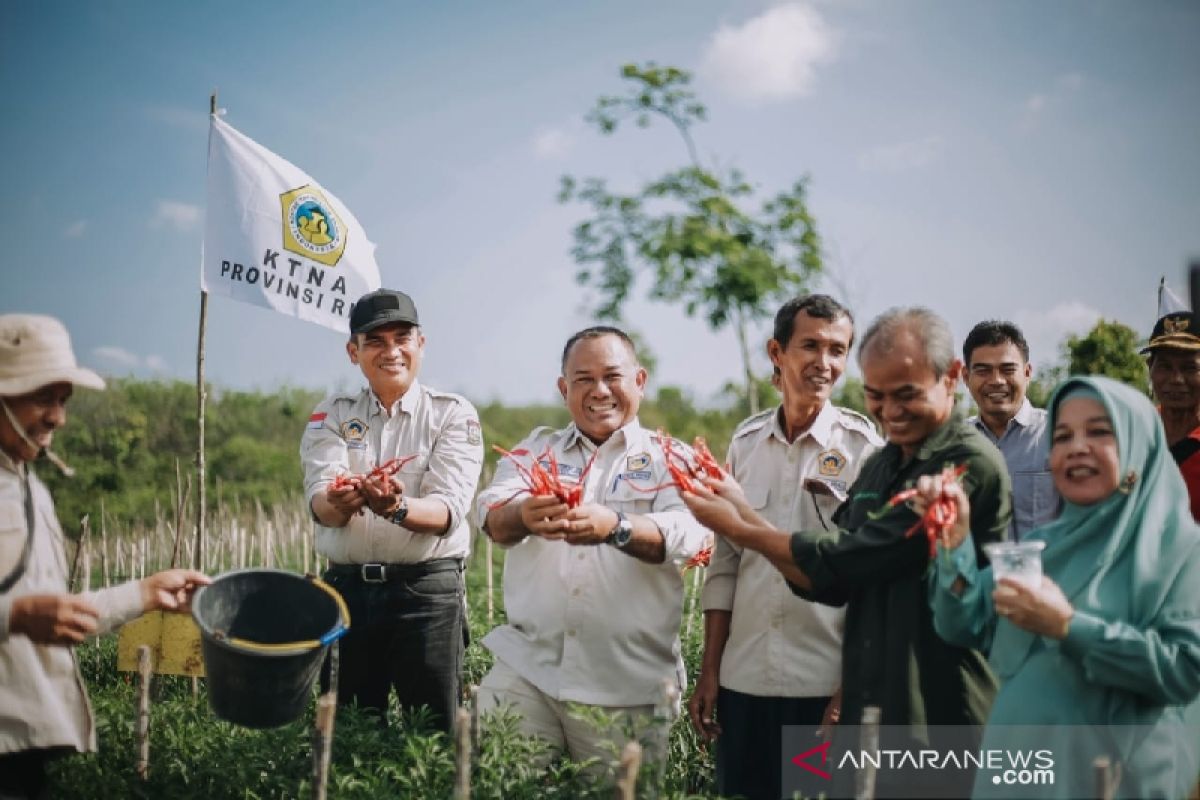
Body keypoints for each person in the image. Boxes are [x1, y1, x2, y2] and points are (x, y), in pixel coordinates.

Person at [682, 307, 1010, 798]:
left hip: (943, 711)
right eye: (877, 396)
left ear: (951, 379)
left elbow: (849, 559)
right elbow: (828, 576)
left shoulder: (963, 463)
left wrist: (739, 524)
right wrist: (737, 512)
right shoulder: (883, 463)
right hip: (865, 706)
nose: (891, 411)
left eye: (907, 395)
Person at [924, 375, 1200, 798]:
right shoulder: (1043, 548)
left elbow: (1184, 669)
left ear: (1138, 447)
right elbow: (963, 624)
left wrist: (1069, 628)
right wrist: (955, 543)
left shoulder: (1180, 553)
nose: (1077, 447)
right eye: (1063, 435)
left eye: (1099, 432)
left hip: (1110, 783)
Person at [474, 326, 710, 769]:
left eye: (612, 376)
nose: (599, 390)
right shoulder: (535, 450)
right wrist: (524, 514)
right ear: (564, 389)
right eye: (583, 379)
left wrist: (616, 527)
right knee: (499, 785)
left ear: (639, 381)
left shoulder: (671, 458)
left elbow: (691, 531)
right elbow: (490, 513)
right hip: (529, 671)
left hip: (628, 687)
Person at [0, 314, 209, 799]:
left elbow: (54, 617)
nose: (58, 417)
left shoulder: (31, 489)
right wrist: (13, 616)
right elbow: (25, 616)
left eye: (63, 400)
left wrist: (144, 593)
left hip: (21, 749)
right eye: (41, 397)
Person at [691, 295, 883, 800]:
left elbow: (872, 582)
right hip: (743, 680)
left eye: (837, 350)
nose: (824, 362)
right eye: (811, 346)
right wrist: (710, 670)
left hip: (820, 687)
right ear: (777, 351)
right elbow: (727, 559)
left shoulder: (865, 450)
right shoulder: (746, 441)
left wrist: (847, 694)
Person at [300, 289, 483, 732]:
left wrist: (396, 508)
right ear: (353, 351)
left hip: (427, 592)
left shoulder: (452, 414)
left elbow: (448, 511)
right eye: (375, 341)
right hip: (346, 591)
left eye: (402, 338)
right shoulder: (331, 414)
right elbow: (322, 498)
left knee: (436, 731)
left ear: (421, 344)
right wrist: (339, 503)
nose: (391, 351)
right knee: (350, 732)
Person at [962, 320, 1060, 539]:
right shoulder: (954, 445)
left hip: (1046, 572)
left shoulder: (1056, 435)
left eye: (1007, 370)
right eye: (983, 371)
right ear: (965, 377)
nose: (996, 381)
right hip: (978, 573)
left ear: (1027, 373)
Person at [1143, 310, 1200, 520]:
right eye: (1165, 367)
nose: (1176, 379)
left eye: (1189, 368)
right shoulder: (1132, 435)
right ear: (1150, 368)